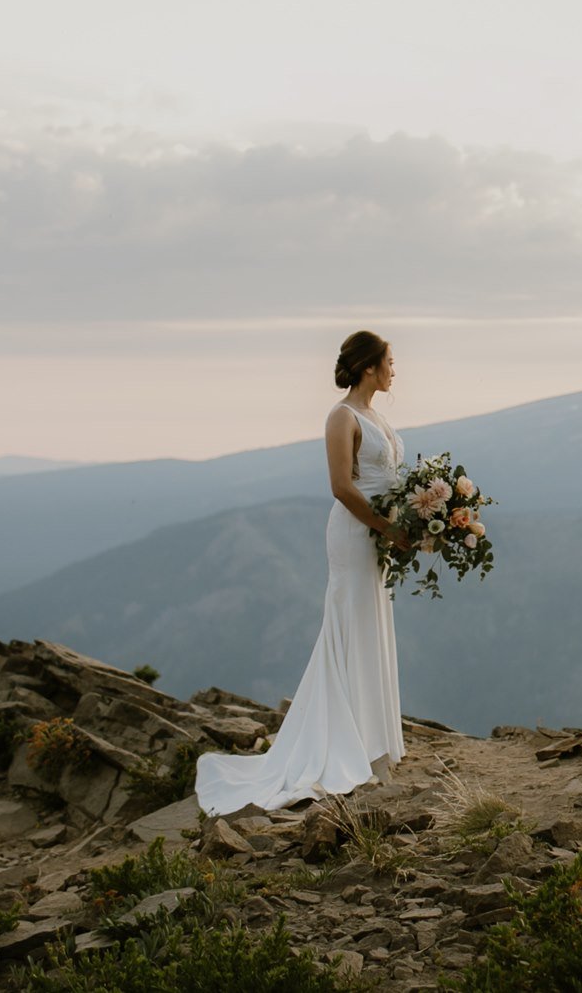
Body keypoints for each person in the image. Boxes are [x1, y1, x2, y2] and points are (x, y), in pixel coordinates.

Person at [194, 330, 410, 813]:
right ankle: (347, 749)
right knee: (350, 627)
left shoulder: (377, 417)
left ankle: (371, 747)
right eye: (390, 361)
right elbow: (340, 486)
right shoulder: (342, 416)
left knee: (371, 627)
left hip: (379, 537)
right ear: (369, 367)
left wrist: (413, 517)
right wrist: (385, 526)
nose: (395, 369)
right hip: (355, 535)